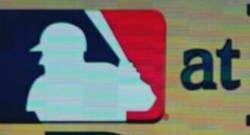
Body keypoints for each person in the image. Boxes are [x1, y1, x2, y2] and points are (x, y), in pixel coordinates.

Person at [25, 22, 156, 122]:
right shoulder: (42, 85)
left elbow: (146, 103)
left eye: (48, 53)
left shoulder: (107, 75)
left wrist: (131, 82)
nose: (41, 61)